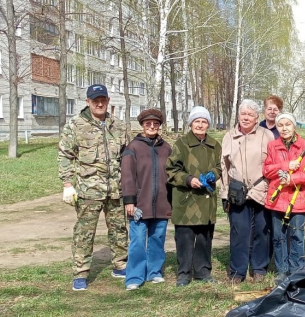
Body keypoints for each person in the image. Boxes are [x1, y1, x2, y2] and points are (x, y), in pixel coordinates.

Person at [58, 84, 130, 291]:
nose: (100, 103)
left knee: (118, 229)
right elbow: (65, 155)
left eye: (103, 99)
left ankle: (120, 264)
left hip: (116, 188)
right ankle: (80, 272)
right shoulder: (75, 125)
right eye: (95, 100)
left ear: (108, 101)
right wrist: (67, 184)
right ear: (88, 102)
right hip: (88, 189)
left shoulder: (119, 125)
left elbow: (128, 155)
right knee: (85, 232)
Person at [166, 106, 222, 287]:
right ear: (190, 124)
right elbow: (171, 170)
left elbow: (220, 167)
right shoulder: (181, 144)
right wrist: (189, 179)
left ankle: (203, 271)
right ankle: (183, 273)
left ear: (208, 124)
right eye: (197, 121)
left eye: (204, 121)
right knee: (185, 239)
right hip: (186, 198)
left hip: (206, 199)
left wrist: (213, 174)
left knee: (205, 239)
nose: (200, 125)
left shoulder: (215, 145)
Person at [221, 99, 274, 284]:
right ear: (238, 116)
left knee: (262, 230)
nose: (246, 117)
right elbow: (224, 167)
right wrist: (224, 193)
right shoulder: (229, 136)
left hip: (262, 189)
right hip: (237, 192)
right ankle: (238, 271)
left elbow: (273, 163)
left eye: (250, 115)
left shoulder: (267, 135)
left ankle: (259, 268)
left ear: (256, 117)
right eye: (243, 114)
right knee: (239, 231)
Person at [121, 108, 172, 290]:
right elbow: (127, 176)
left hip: (161, 203)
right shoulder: (132, 147)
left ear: (159, 126)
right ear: (142, 125)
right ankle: (134, 276)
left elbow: (172, 174)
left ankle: (154, 271)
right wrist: (129, 200)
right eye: (148, 124)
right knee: (137, 240)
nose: (152, 127)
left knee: (158, 238)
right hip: (139, 204)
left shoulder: (166, 148)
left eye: (155, 124)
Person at [263, 113, 305, 281]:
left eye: (288, 124)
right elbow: (267, 170)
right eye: (280, 125)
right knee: (278, 237)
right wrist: (285, 166)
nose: (284, 128)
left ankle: (297, 269)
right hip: (277, 198)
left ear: (294, 126)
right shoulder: (273, 146)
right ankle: (282, 270)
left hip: (298, 198)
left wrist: (291, 178)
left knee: (297, 236)